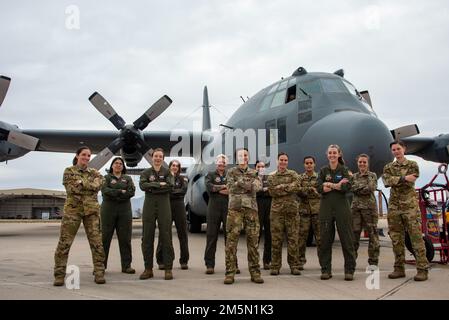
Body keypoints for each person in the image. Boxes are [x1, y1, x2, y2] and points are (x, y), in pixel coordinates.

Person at [53, 146, 106, 286]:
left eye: (89, 156)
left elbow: (100, 184)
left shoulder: (95, 172)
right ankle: (59, 274)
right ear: (77, 156)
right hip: (73, 212)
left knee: (97, 243)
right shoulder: (69, 171)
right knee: (64, 243)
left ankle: (99, 272)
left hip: (92, 212)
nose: (87, 158)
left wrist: (83, 183)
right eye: (84, 155)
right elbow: (71, 188)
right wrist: (90, 185)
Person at [383, 140, 429, 281]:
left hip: (410, 207)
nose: (396, 151)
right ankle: (399, 269)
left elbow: (412, 178)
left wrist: (396, 179)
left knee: (416, 238)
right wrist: (403, 178)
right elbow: (386, 182)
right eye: (394, 149)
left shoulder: (412, 165)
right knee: (397, 239)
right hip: (394, 208)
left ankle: (422, 270)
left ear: (404, 149)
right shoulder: (388, 167)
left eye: (398, 148)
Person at [224, 148, 263, 285]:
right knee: (231, 242)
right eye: (240, 155)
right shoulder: (230, 172)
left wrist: (244, 184)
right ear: (237, 158)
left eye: (245, 155)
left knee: (253, 242)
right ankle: (230, 273)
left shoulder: (254, 172)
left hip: (251, 210)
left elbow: (258, 187)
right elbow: (230, 188)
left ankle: (255, 272)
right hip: (235, 210)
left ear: (248, 157)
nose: (243, 157)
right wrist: (243, 183)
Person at [317, 144, 356, 281]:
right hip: (326, 209)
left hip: (342, 208)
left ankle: (349, 270)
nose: (332, 155)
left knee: (347, 239)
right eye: (330, 153)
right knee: (325, 240)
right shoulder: (323, 170)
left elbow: (346, 187)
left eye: (334, 153)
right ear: (327, 155)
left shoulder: (345, 170)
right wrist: (336, 185)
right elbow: (318, 187)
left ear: (339, 154)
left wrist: (329, 185)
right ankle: (326, 270)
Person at [139, 148, 175, 280]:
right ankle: (148, 269)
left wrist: (152, 186)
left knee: (166, 235)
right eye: (156, 156)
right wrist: (159, 184)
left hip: (164, 205)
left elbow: (170, 186)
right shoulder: (145, 172)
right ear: (152, 157)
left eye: (160, 156)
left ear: (163, 158)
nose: (158, 158)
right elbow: (143, 186)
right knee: (147, 237)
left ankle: (168, 268)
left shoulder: (168, 172)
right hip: (149, 205)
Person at [267, 152, 301, 276]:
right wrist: (288, 188)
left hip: (292, 212)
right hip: (277, 213)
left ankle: (294, 265)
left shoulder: (293, 174)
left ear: (288, 162)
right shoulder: (271, 177)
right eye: (281, 160)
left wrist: (281, 187)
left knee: (293, 239)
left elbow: (296, 187)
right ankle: (275, 266)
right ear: (277, 161)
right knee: (276, 240)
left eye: (285, 160)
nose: (283, 162)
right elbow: (272, 192)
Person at [100, 157, 136, 274]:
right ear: (112, 166)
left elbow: (131, 192)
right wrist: (121, 192)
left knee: (125, 239)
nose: (118, 165)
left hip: (124, 211)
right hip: (108, 210)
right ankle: (100, 266)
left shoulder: (128, 178)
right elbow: (105, 191)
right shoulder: (106, 178)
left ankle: (126, 266)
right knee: (105, 238)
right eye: (116, 163)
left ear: (123, 166)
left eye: (120, 164)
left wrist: (114, 192)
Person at [204, 154, 237, 274]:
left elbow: (233, 189)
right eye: (219, 162)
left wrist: (218, 189)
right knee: (211, 237)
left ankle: (233, 264)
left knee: (230, 238)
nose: (221, 164)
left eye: (223, 162)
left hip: (228, 208)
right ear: (216, 163)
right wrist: (223, 187)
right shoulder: (210, 175)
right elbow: (209, 187)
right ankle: (209, 264)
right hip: (213, 208)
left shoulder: (231, 175)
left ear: (226, 164)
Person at [156, 159, 190, 270]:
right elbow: (162, 190)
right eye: (173, 165)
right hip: (166, 205)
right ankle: (161, 260)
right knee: (164, 233)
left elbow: (183, 190)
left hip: (179, 206)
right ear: (169, 167)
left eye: (177, 166)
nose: (175, 167)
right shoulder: (164, 178)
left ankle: (184, 261)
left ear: (179, 168)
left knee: (183, 234)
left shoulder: (183, 178)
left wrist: (169, 190)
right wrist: (173, 191)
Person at [351, 154, 380, 266]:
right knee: (354, 235)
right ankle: (352, 261)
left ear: (368, 163)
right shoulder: (353, 176)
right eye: (360, 162)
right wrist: (362, 188)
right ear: (357, 163)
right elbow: (351, 188)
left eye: (364, 162)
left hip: (369, 209)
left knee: (373, 235)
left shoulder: (372, 175)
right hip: (356, 209)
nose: (362, 164)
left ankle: (373, 262)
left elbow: (371, 188)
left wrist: (358, 189)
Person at [297, 156, 321, 270]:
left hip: (317, 211)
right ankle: (300, 261)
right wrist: (311, 190)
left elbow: (321, 192)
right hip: (304, 211)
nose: (309, 165)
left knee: (320, 238)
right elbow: (298, 191)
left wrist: (306, 190)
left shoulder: (320, 177)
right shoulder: (300, 178)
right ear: (304, 165)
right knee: (301, 238)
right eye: (307, 163)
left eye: (311, 163)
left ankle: (323, 262)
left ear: (314, 164)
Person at [256, 160, 272, 270]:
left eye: (263, 166)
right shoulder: (253, 178)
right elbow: (254, 191)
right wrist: (263, 190)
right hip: (257, 205)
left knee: (269, 234)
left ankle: (267, 261)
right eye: (259, 166)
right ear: (255, 168)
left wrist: (263, 190)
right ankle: (254, 261)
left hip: (269, 205)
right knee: (256, 235)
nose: (261, 168)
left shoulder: (269, 178)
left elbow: (272, 191)